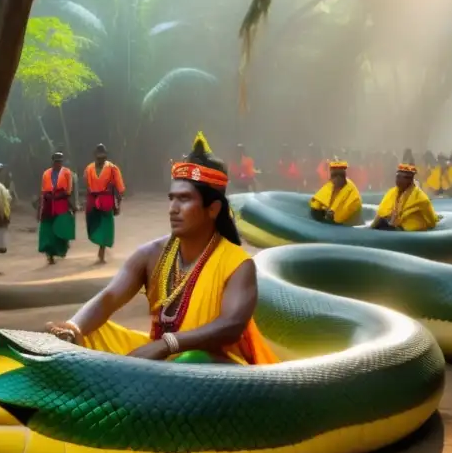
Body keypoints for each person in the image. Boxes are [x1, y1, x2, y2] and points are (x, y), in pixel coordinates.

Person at [45, 132, 280, 365]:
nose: (173, 208)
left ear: (213, 209)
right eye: (171, 198)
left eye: (184, 199)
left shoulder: (238, 264)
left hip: (215, 372)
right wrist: (73, 328)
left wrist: (167, 345)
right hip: (161, 362)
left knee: (192, 359)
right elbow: (109, 297)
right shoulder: (151, 254)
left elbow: (231, 326)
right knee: (89, 333)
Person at [371, 149, 438, 231]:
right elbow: (380, 214)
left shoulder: (422, 199)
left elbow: (432, 222)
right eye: (398, 176)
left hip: (408, 233)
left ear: (410, 180)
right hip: (389, 228)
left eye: (403, 177)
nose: (398, 180)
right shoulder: (391, 193)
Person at [84, 143, 127, 264]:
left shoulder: (113, 168)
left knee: (105, 225)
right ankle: (100, 244)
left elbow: (119, 187)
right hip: (93, 199)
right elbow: (87, 184)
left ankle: (102, 250)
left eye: (103, 157)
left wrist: (118, 203)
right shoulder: (89, 168)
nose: (100, 159)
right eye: (98, 157)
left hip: (106, 199)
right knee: (92, 224)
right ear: (95, 156)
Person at [39, 151, 77, 265]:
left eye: (59, 161)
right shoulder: (46, 173)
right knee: (48, 230)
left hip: (61, 203)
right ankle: (49, 254)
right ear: (53, 162)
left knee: (62, 229)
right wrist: (49, 196)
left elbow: (68, 191)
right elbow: (44, 190)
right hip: (49, 204)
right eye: (56, 161)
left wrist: (59, 196)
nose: (58, 164)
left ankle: (60, 249)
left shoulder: (67, 173)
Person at [309, 159, 362, 224]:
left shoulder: (353, 194)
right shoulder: (329, 186)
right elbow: (316, 204)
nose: (338, 179)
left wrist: (332, 216)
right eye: (335, 175)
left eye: (340, 175)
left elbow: (342, 217)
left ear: (344, 176)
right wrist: (323, 212)